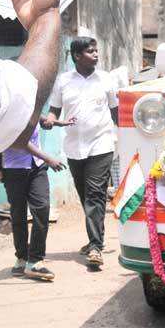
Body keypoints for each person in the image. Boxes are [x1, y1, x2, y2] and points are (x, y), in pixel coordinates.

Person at [0, 0, 72, 226]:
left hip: (29, 164)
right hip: (16, 167)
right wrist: (45, 19)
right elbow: (13, 123)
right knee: (21, 216)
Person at [42, 37, 119, 268]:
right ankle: (97, 238)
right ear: (76, 56)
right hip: (75, 148)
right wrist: (51, 121)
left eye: (97, 50)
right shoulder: (63, 81)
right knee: (87, 196)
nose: (96, 54)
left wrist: (127, 139)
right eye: (90, 51)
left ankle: (95, 247)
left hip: (102, 144)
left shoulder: (106, 79)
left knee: (95, 194)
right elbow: (54, 111)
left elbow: (116, 113)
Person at [0, 127, 67, 281]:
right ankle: (21, 257)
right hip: (14, 169)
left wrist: (52, 121)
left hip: (37, 167)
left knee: (42, 208)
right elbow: (19, 142)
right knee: (18, 215)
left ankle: (35, 260)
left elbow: (38, 116)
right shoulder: (9, 111)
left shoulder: (30, 106)